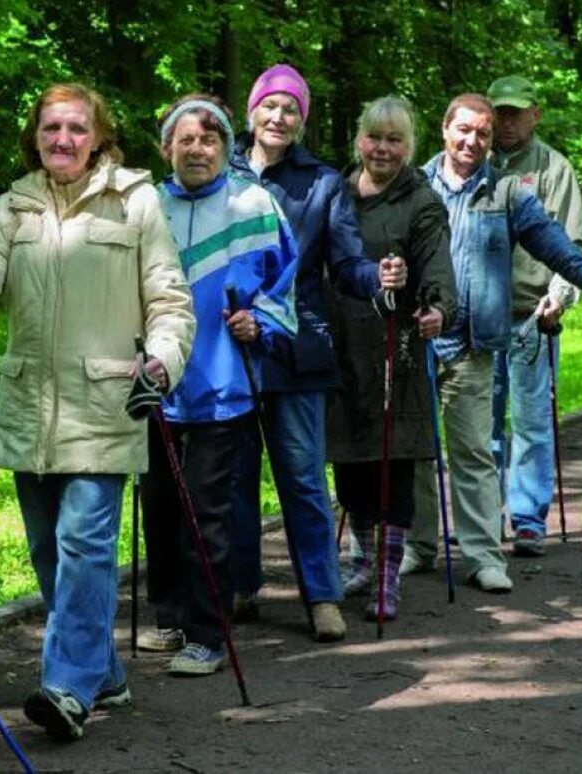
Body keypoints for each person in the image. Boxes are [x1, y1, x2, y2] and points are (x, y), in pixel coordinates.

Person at [0, 83, 195, 741]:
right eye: (52, 128)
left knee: (84, 546)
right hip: (30, 404)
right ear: (36, 136)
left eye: (77, 129)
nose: (63, 139)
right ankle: (104, 671)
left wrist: (162, 363)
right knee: (49, 553)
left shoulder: (136, 202)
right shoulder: (15, 206)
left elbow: (170, 301)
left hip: (106, 401)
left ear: (99, 137)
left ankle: (67, 689)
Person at [404, 94, 582, 593]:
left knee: (475, 450)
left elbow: (550, 240)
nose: (472, 140)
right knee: (416, 450)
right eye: (463, 129)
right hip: (417, 340)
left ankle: (483, 555)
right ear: (443, 129)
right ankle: (419, 546)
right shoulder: (414, 186)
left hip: (472, 341)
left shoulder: (506, 191)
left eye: (481, 133)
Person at [226, 64, 390, 641]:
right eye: (269, 105)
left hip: (298, 352)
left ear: (302, 119)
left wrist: (379, 279)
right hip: (228, 350)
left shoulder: (322, 183)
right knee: (234, 478)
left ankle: (321, 595)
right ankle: (241, 587)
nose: (278, 116)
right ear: (251, 111)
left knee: (301, 479)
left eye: (290, 108)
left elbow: (344, 266)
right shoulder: (221, 170)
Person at [139, 93, 298, 676]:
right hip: (156, 382)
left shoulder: (255, 203)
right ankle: (169, 614)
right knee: (158, 504)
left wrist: (261, 322)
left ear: (227, 148)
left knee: (209, 508)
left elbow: (286, 284)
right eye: (186, 140)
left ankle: (209, 631)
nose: (197, 149)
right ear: (167, 148)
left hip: (224, 380)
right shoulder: (146, 206)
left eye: (209, 140)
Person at [326, 96, 456, 621]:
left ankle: (387, 576)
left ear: (409, 147)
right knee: (349, 460)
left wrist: (439, 310)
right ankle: (362, 557)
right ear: (359, 139)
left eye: (394, 139)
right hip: (340, 343)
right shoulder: (335, 192)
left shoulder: (421, 201)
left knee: (394, 464)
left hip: (393, 346)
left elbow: (437, 267)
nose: (382, 148)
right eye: (374, 137)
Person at [486, 75, 582, 558]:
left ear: (535, 114)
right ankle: (483, 517)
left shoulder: (554, 168)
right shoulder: (473, 164)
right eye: (499, 112)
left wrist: (559, 298)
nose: (506, 121)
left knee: (530, 421)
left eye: (515, 112)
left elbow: (573, 245)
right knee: (478, 426)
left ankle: (527, 518)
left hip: (532, 315)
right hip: (477, 318)